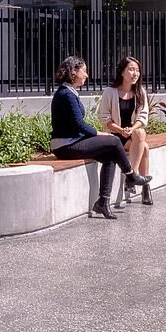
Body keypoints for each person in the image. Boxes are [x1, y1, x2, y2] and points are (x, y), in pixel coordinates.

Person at [51, 55, 149, 219]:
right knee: (114, 140)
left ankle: (103, 202)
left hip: (73, 141)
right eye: (85, 71)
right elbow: (79, 125)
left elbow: (77, 125)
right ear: (74, 72)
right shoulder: (66, 94)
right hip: (64, 146)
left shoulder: (69, 92)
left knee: (110, 155)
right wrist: (100, 133)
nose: (87, 76)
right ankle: (131, 176)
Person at [98, 54, 154, 206]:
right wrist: (120, 129)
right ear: (122, 72)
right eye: (131, 69)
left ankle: (133, 175)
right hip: (115, 137)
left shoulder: (140, 92)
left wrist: (131, 129)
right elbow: (104, 117)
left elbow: (143, 116)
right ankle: (144, 187)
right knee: (146, 149)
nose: (135, 73)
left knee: (140, 132)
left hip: (132, 137)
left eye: (137, 70)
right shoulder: (110, 92)